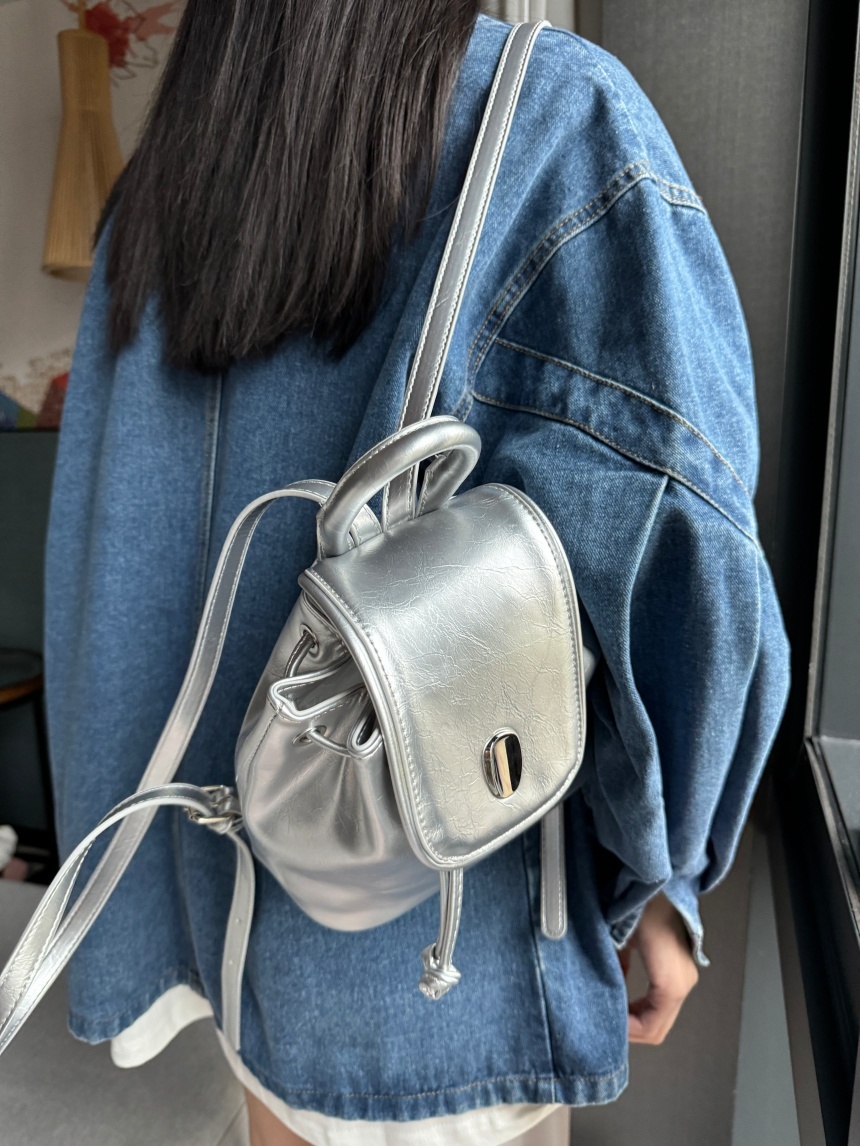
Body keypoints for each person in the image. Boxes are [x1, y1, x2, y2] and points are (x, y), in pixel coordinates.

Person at [44, 4, 790, 1145]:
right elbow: (683, 554)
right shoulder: (554, 118)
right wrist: (659, 870)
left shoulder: (169, 176)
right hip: (445, 943)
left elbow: (104, 546)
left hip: (215, 901)